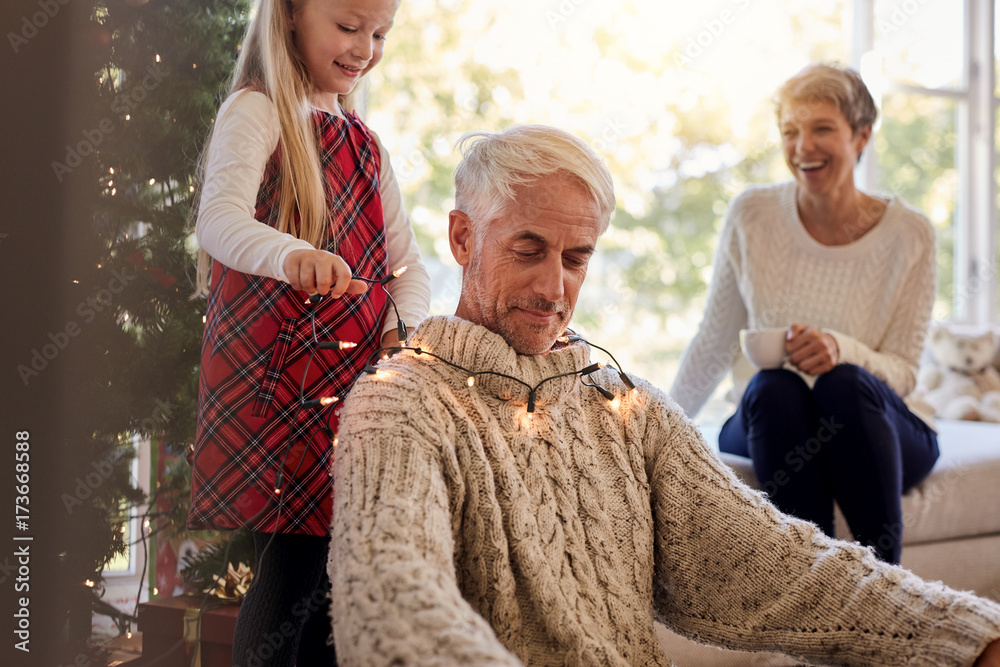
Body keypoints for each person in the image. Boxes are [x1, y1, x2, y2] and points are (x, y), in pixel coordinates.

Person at [327, 124, 1000, 666]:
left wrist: (967, 636)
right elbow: (393, 600)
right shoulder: (400, 404)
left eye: (576, 257)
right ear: (462, 237)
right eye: (528, 249)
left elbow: (785, 567)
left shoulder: (625, 408)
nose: (553, 289)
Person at [186, 0, 430, 664]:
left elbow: (407, 263)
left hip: (349, 389)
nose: (365, 48)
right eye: (348, 27)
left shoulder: (365, 142)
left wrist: (399, 330)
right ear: (290, 14)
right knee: (294, 564)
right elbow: (218, 221)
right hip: (279, 383)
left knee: (333, 577)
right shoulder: (259, 109)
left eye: (380, 33)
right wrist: (291, 255)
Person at [669, 63, 938, 565]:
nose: (802, 148)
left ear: (861, 136)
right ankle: (813, 590)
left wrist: (841, 350)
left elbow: (903, 373)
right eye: (790, 131)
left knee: (841, 383)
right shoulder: (752, 215)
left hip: (868, 415)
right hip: (773, 416)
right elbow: (714, 341)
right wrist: (657, 430)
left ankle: (888, 588)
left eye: (821, 129)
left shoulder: (910, 235)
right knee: (773, 387)